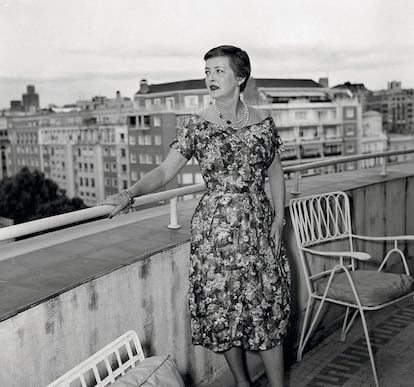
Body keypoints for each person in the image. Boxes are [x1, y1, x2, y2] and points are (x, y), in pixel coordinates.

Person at [102, 45, 291, 387]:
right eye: (207, 71)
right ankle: (242, 383)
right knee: (223, 311)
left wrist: (279, 219)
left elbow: (275, 173)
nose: (210, 78)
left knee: (268, 309)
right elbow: (163, 171)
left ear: (241, 77)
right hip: (215, 233)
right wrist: (130, 193)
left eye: (219, 71)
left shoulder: (263, 122)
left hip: (260, 228)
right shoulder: (197, 126)